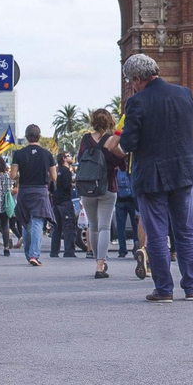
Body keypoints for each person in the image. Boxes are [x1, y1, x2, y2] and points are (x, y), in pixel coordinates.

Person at [105, 54, 193, 301]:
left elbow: (129, 143)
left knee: (157, 234)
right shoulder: (185, 94)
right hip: (183, 171)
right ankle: (191, 287)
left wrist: (116, 145)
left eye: (131, 81)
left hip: (151, 175)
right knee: (185, 231)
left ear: (137, 79)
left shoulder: (137, 101)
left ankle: (164, 289)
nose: (132, 86)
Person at [78, 109, 126, 278]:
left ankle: (96, 261)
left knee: (93, 226)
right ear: (109, 122)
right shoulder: (111, 140)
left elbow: (80, 160)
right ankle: (100, 264)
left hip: (87, 187)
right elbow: (122, 163)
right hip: (107, 186)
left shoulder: (85, 140)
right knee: (105, 226)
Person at [11, 125, 56, 267]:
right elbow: (54, 176)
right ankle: (34, 255)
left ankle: (28, 254)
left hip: (24, 191)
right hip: (40, 191)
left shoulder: (18, 154)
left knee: (26, 222)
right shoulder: (47, 154)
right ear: (39, 136)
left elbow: (12, 175)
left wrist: (21, 175)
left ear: (26, 137)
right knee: (37, 221)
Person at [50, 152, 78, 258]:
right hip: (65, 203)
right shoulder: (66, 171)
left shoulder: (57, 171)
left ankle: (54, 252)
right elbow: (66, 186)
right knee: (68, 228)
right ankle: (69, 251)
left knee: (57, 229)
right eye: (69, 156)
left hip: (56, 203)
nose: (71, 157)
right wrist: (73, 183)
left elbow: (51, 188)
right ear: (64, 159)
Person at [113, 165, 139, 259]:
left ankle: (122, 251)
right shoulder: (131, 170)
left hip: (119, 201)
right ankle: (137, 248)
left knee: (120, 227)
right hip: (131, 200)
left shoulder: (116, 170)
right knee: (135, 226)